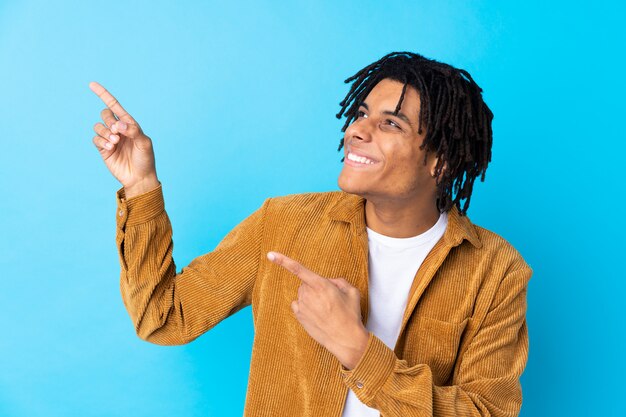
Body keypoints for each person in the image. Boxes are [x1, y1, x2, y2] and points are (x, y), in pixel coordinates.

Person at [90, 51, 532, 417]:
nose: (356, 130)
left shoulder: (495, 270)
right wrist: (141, 186)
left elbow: (487, 411)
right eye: (361, 115)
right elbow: (163, 316)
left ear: (441, 162)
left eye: (390, 123)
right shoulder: (283, 223)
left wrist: (359, 351)